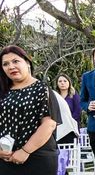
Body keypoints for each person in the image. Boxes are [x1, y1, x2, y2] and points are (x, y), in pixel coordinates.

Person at [0, 45, 61, 174]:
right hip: (5, 159)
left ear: (27, 63)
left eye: (16, 61)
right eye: (5, 64)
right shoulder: (3, 92)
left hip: (37, 157)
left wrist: (25, 151)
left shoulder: (41, 89)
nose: (11, 66)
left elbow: (49, 124)